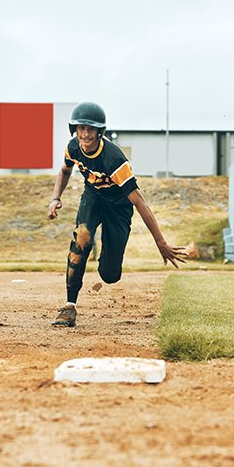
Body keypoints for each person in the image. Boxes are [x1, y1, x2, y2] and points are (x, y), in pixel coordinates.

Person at [47, 102, 186, 327]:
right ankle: (69, 306)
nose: (85, 134)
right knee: (81, 238)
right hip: (93, 197)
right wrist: (55, 198)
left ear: (100, 131)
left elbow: (140, 203)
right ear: (74, 129)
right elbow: (65, 171)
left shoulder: (114, 160)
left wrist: (161, 242)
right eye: (81, 128)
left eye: (91, 129)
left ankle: (107, 254)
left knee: (110, 274)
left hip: (118, 207)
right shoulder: (72, 147)